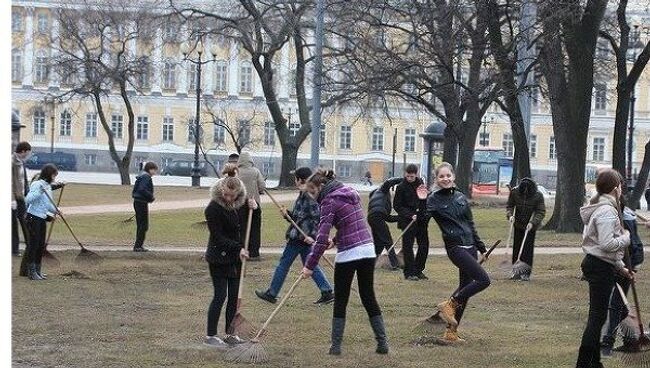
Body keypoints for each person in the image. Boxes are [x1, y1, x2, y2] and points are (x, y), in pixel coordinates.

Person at [302, 169, 388, 356]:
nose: (311, 195)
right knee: (368, 296)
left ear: (321, 186)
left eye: (312, 191)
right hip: (367, 249)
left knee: (341, 300)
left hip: (349, 254)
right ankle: (383, 343)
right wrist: (336, 239)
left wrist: (309, 266)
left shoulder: (328, 201)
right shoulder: (349, 192)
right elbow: (351, 223)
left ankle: (335, 346)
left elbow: (321, 237)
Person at [423, 162, 491, 343]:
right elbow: (422, 221)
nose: (445, 179)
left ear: (453, 177)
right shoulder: (433, 199)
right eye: (441, 176)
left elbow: (470, 224)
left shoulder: (461, 197)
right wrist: (420, 204)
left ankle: (451, 333)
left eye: (448, 176)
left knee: (465, 289)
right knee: (484, 280)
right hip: (455, 248)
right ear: (437, 180)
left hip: (471, 247)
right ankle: (450, 303)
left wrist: (482, 247)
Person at [576, 169, 632, 368]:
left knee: (597, 317)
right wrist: (626, 238)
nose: (621, 189)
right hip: (599, 267)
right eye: (620, 186)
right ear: (616, 188)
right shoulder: (607, 211)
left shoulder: (604, 208)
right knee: (596, 318)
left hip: (600, 264)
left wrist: (621, 267)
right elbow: (607, 244)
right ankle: (584, 363)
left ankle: (594, 361)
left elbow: (604, 249)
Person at [255, 167, 334, 305]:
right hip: (302, 236)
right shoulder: (305, 193)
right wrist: (288, 215)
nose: (295, 180)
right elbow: (300, 217)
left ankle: (272, 293)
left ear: (299, 180)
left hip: (299, 237)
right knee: (310, 264)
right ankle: (327, 291)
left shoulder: (308, 195)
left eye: (295, 178)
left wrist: (309, 235)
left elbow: (316, 217)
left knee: (283, 264)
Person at [204, 176, 252, 349]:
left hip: (235, 259)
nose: (229, 199)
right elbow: (218, 236)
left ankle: (231, 333)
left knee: (233, 297)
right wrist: (238, 248)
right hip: (218, 257)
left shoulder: (238, 204)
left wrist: (254, 208)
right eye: (226, 195)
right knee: (220, 295)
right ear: (221, 190)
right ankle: (210, 335)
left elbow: (246, 223)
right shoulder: (213, 208)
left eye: (232, 196)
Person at [600, 193, 644, 357]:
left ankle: (607, 342)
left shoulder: (625, 219)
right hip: (616, 262)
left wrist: (629, 267)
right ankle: (631, 339)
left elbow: (633, 246)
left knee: (616, 303)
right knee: (618, 305)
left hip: (627, 262)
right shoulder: (612, 216)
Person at [393, 164, 429, 280]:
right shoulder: (401, 187)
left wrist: (423, 213)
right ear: (405, 174)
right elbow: (397, 206)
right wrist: (409, 214)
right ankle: (409, 273)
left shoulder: (421, 185)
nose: (409, 178)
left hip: (421, 221)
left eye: (411, 177)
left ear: (416, 174)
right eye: (407, 176)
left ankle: (418, 270)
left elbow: (425, 201)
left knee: (424, 245)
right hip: (407, 221)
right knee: (407, 247)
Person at [505, 178, 546, 281]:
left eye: (528, 192)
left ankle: (526, 274)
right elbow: (510, 206)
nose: (525, 193)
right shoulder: (515, 192)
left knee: (527, 250)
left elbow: (540, 211)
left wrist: (533, 222)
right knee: (517, 249)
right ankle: (516, 272)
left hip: (530, 226)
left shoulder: (538, 195)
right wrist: (510, 216)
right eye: (524, 192)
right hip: (518, 224)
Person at [24, 164, 60, 281]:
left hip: (42, 218)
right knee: (34, 245)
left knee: (40, 245)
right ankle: (31, 272)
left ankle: (38, 270)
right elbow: (28, 199)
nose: (54, 178)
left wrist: (57, 210)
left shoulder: (48, 186)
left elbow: (48, 204)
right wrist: (39, 191)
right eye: (54, 175)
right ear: (49, 174)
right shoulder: (37, 185)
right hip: (33, 217)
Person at [367, 177, 402, 270]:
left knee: (379, 244)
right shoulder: (382, 190)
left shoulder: (375, 200)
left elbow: (388, 218)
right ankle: (395, 264)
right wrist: (404, 180)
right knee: (388, 241)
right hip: (377, 217)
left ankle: (371, 263)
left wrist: (401, 218)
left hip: (372, 218)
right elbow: (389, 182)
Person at [237, 151, 265, 261]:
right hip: (254, 203)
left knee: (241, 228)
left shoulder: (237, 172)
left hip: (240, 203)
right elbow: (262, 187)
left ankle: (243, 251)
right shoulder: (256, 171)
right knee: (255, 228)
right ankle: (254, 253)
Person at [131, 162, 158, 252]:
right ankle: (138, 246)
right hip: (141, 202)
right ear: (150, 169)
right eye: (154, 170)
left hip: (138, 202)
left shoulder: (142, 176)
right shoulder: (146, 177)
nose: (155, 172)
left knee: (141, 225)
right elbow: (142, 189)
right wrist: (150, 197)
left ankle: (138, 245)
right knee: (143, 225)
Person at [12, 142, 32, 257]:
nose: (28, 155)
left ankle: (30, 245)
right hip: (14, 199)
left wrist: (27, 196)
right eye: (28, 153)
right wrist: (11, 199)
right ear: (23, 151)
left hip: (21, 198)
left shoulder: (21, 162)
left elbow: (24, 182)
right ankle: (14, 249)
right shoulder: (12, 161)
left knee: (25, 221)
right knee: (13, 225)